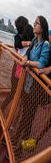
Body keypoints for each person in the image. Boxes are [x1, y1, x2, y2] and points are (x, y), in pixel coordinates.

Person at [16, 16, 50, 149]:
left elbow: (41, 63)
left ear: (42, 28)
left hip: (36, 86)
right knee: (25, 114)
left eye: (37, 24)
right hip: (28, 83)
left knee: (28, 117)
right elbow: (28, 53)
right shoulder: (35, 40)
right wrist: (25, 58)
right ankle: (19, 140)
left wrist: (28, 63)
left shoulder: (45, 44)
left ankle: (20, 145)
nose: (34, 25)